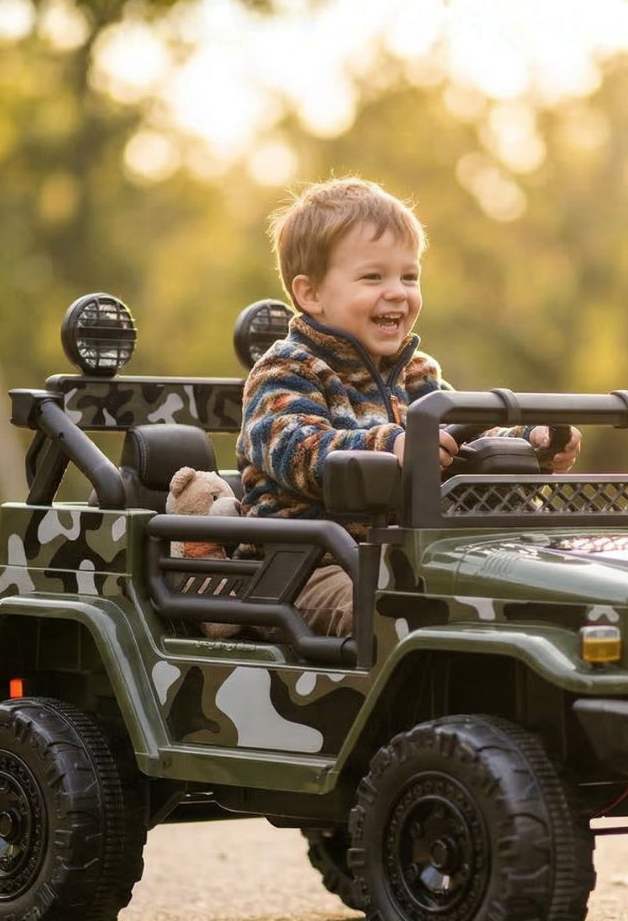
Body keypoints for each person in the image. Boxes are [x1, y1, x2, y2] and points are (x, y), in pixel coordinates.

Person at [237, 176, 581, 637]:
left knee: (526, 591)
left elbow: (464, 436)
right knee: (393, 613)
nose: (397, 291)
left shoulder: (417, 373)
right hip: (306, 567)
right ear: (311, 294)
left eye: (409, 276)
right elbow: (297, 449)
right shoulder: (285, 369)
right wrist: (391, 446)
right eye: (373, 277)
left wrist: (529, 441)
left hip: (406, 554)